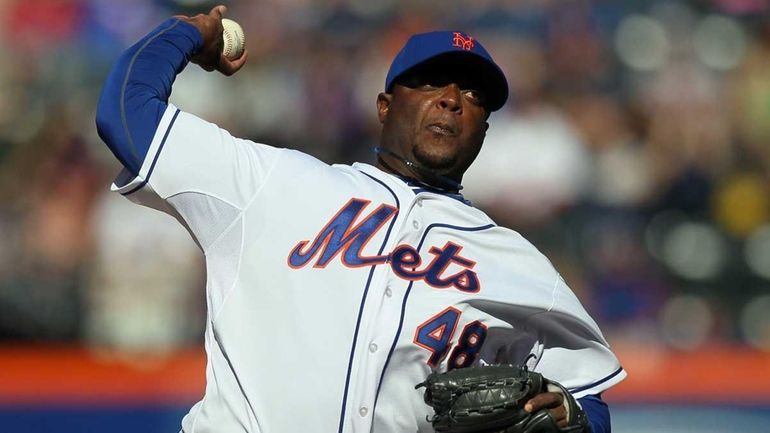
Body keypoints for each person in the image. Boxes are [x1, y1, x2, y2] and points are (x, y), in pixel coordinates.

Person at [95, 5, 625, 433]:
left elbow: (585, 398)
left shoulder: (516, 262)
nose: (452, 100)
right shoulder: (272, 183)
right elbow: (125, 113)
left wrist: (570, 416)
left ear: (484, 131)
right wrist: (186, 33)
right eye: (432, 83)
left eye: (473, 95)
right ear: (385, 106)